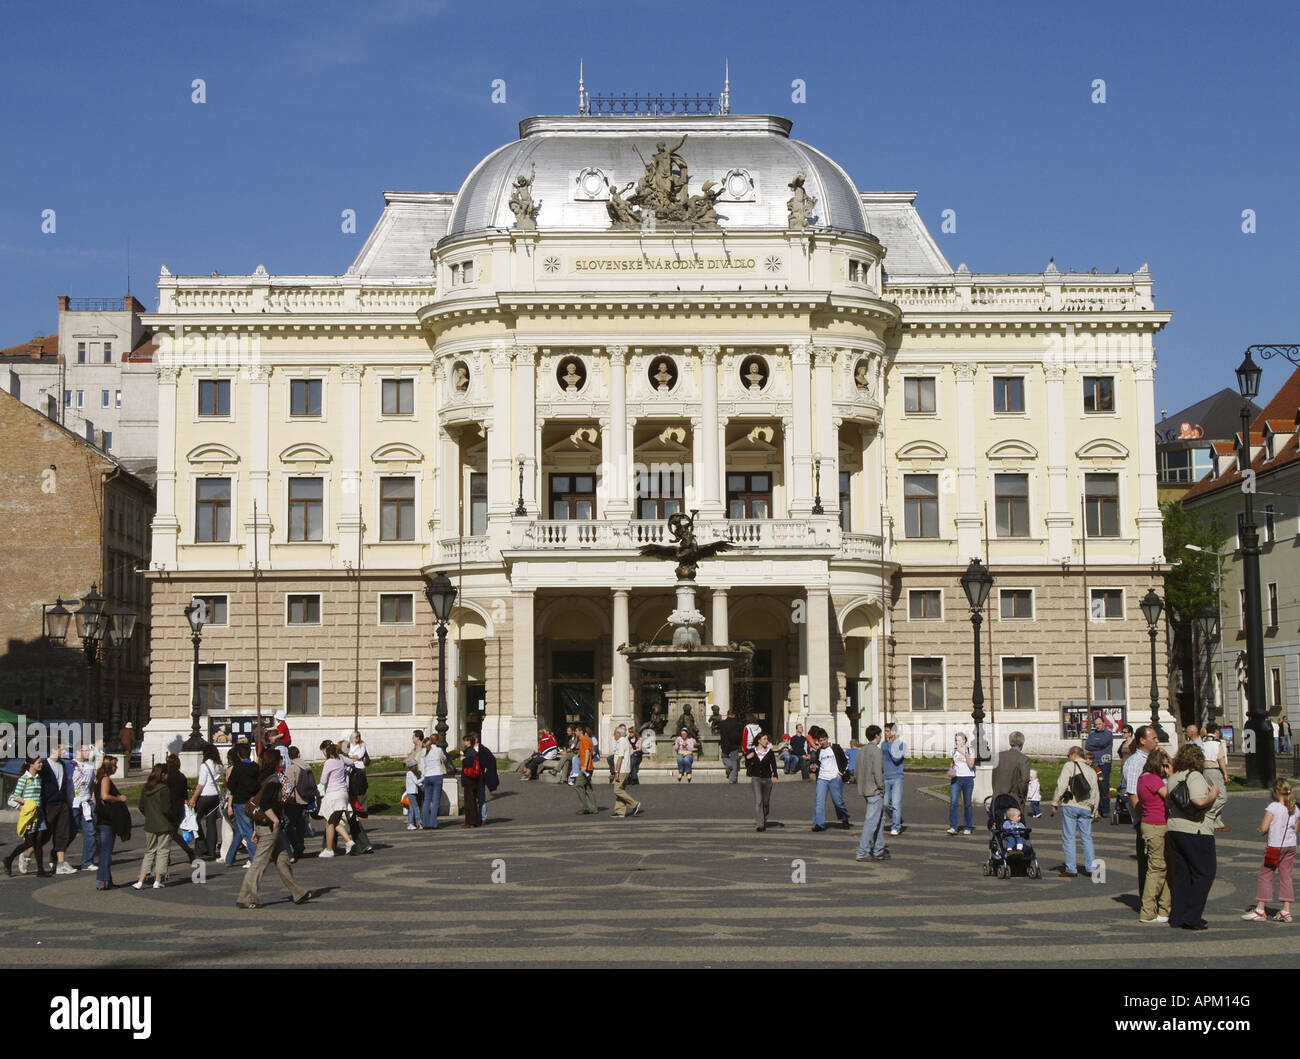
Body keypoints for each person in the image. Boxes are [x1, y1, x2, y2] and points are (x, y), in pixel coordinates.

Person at [237, 749, 318, 909]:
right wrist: (275, 820)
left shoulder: (264, 779)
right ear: (275, 762)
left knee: (282, 860)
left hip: (264, 825)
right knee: (259, 863)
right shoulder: (273, 780)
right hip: (270, 826)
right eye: (280, 760)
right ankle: (246, 897)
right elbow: (265, 804)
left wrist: (255, 828)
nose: (282, 762)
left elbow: (257, 807)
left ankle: (298, 892)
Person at [1165, 744, 1219, 930]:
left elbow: (1169, 802)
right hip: (1195, 830)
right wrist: (1212, 795)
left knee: (1182, 874)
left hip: (1174, 828)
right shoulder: (1194, 776)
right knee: (1205, 872)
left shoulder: (1173, 777)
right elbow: (1198, 801)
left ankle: (1177, 915)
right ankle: (1192, 915)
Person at [1242, 779, 1298, 923]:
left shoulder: (1273, 807)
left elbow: (1264, 827)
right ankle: (1286, 910)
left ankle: (1261, 909)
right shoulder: (1296, 809)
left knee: (1265, 875)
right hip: (1290, 846)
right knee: (1286, 876)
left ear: (1276, 792)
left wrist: (1261, 830)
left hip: (1275, 846)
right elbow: (1296, 830)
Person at [1135, 748, 1173, 923]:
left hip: (1150, 824)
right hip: (1157, 825)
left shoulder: (1143, 778)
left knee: (1162, 866)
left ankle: (1165, 908)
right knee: (1157, 868)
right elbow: (1172, 797)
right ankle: (1148, 910)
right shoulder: (1153, 779)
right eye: (1164, 765)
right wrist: (1171, 775)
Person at [1123, 725, 1161, 895]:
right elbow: (1133, 795)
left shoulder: (1153, 759)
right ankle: (1147, 901)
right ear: (1142, 740)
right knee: (1147, 864)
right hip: (1146, 820)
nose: (1157, 740)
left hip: (1157, 818)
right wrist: (1143, 818)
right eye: (1154, 738)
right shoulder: (1135, 763)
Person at [1052, 746, 1099, 878]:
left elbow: (1061, 785)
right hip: (1086, 807)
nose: (1068, 758)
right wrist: (1094, 811)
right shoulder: (1091, 771)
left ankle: (1071, 869)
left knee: (1069, 837)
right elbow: (1096, 793)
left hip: (1072, 804)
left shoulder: (1069, 766)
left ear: (1073, 754)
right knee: (1087, 838)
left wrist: (1055, 802)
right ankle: (1091, 868)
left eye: (1068, 755)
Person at [5, 756, 48, 877]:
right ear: (31, 764)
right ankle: (9, 859)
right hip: (30, 815)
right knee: (29, 843)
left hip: (39, 813)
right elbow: (16, 796)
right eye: (39, 763)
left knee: (39, 841)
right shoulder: (24, 779)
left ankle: (41, 870)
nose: (41, 765)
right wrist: (27, 804)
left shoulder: (38, 778)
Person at [134, 764, 175, 890]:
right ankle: (157, 880)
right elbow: (166, 809)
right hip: (164, 824)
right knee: (162, 851)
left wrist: (149, 815)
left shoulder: (146, 788)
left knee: (149, 851)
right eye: (166, 773)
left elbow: (141, 806)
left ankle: (141, 880)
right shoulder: (164, 789)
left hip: (150, 823)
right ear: (162, 775)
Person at [224, 743, 260, 867]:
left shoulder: (238, 768)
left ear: (238, 755)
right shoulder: (255, 767)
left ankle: (254, 858)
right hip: (253, 800)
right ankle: (229, 858)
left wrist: (229, 805)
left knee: (247, 830)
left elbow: (231, 787)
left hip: (240, 802)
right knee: (241, 830)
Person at [42, 743, 76, 875]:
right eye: (61, 749)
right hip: (49, 804)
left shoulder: (62, 765)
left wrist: (67, 802)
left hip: (62, 803)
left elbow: (64, 785)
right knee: (44, 834)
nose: (64, 751)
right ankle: (27, 853)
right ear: (53, 749)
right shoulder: (44, 765)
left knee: (62, 833)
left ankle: (61, 863)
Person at [809, 726, 851, 832]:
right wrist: (814, 767)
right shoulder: (819, 752)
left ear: (827, 738)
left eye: (824, 739)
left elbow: (845, 760)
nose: (822, 742)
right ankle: (819, 823)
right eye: (820, 740)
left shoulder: (835, 748)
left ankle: (845, 817)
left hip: (834, 778)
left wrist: (840, 773)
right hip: (822, 779)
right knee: (819, 802)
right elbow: (818, 764)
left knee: (838, 802)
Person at [93, 755, 127, 889]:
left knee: (103, 850)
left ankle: (107, 879)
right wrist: (119, 799)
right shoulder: (105, 779)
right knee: (106, 852)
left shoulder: (97, 779)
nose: (116, 768)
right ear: (109, 767)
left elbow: (95, 798)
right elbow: (105, 796)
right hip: (106, 820)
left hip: (100, 817)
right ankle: (103, 881)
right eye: (114, 766)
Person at [855, 725, 888, 861]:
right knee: (871, 822)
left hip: (864, 788)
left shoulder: (861, 750)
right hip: (874, 790)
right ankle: (863, 852)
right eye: (880, 735)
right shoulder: (876, 751)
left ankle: (879, 849)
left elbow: (856, 770)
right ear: (876, 736)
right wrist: (881, 788)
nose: (881, 737)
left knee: (880, 819)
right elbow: (878, 772)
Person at [317, 742, 356, 856]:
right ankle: (349, 841)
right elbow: (351, 762)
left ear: (327, 752)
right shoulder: (341, 759)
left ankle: (329, 850)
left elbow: (323, 780)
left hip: (333, 794)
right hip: (343, 793)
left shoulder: (329, 762)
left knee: (329, 822)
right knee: (335, 821)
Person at [190, 746, 223, 861]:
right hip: (215, 796)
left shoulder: (205, 766)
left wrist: (193, 798)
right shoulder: (219, 765)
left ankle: (201, 844)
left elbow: (201, 785)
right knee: (211, 823)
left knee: (195, 820)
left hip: (205, 795)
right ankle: (211, 849)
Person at [281, 746, 313, 859]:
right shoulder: (307, 766)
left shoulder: (292, 768)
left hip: (294, 800)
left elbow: (289, 785)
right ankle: (300, 845)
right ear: (299, 754)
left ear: (289, 756)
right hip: (305, 799)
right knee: (300, 824)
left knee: (289, 825)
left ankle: (297, 845)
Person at [164, 754, 196, 864]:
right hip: (180, 809)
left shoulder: (167, 778)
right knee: (170, 833)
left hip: (170, 808)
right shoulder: (182, 777)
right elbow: (184, 796)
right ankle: (166, 857)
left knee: (171, 833)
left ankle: (189, 852)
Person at [745, 731, 780, 831]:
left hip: (767, 779)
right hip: (756, 779)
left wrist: (775, 776)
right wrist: (747, 758)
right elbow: (747, 765)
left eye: (767, 739)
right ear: (759, 740)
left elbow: (773, 765)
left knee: (765, 802)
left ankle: (763, 819)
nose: (766, 741)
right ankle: (760, 824)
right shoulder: (752, 751)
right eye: (764, 739)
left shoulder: (769, 752)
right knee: (759, 801)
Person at [1200, 722, 1229, 832]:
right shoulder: (1217, 743)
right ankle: (1208, 813)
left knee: (1212, 795)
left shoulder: (1203, 742)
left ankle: (1217, 823)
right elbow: (1220, 759)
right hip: (1214, 770)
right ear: (1216, 731)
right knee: (1222, 797)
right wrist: (1225, 773)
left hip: (1204, 770)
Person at [72, 745, 98, 871]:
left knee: (90, 832)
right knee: (70, 832)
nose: (88, 752)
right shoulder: (71, 765)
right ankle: (56, 857)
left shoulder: (90, 766)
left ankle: (87, 861)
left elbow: (93, 783)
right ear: (78, 751)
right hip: (74, 802)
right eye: (85, 750)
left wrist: (93, 796)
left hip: (87, 802)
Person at [1085, 715, 1115, 816]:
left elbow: (1103, 743)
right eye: (1096, 724)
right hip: (1094, 763)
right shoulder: (1092, 734)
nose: (1097, 726)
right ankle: (1095, 808)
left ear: (1104, 724)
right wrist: (1097, 746)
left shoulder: (1108, 734)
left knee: (1103, 785)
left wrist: (1094, 746)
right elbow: (1087, 745)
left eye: (1099, 724)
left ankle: (1105, 809)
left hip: (1104, 763)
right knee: (1093, 786)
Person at [991, 730, 1031, 807]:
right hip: (1014, 799)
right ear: (1022, 743)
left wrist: (996, 791)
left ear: (1010, 742)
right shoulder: (1023, 759)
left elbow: (994, 777)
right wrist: (1022, 796)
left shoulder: (999, 756)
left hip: (998, 798)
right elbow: (1025, 779)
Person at [610, 724, 642, 818]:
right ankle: (620, 811)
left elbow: (620, 758)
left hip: (622, 770)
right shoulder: (624, 741)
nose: (614, 735)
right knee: (621, 789)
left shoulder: (621, 742)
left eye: (615, 733)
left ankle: (634, 804)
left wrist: (616, 772)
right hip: (624, 769)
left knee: (617, 790)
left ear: (619, 734)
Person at [947, 733, 976, 835]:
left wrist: (964, 753)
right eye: (956, 740)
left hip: (968, 778)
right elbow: (952, 764)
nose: (957, 742)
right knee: (954, 802)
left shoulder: (970, 750)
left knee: (967, 803)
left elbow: (971, 765)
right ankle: (953, 826)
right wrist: (951, 771)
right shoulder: (953, 751)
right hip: (956, 779)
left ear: (964, 740)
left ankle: (968, 826)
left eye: (959, 740)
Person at [420, 735, 448, 829]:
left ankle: (425, 823)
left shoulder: (424, 751)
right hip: (437, 775)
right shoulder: (439, 750)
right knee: (435, 800)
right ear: (437, 741)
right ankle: (433, 823)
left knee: (427, 800)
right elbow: (444, 759)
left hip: (427, 776)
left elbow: (422, 765)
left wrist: (424, 774)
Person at [882, 723, 905, 835]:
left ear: (894, 732)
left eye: (888, 731)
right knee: (885, 804)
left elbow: (897, 758)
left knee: (896, 804)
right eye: (885, 731)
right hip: (886, 777)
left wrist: (892, 745)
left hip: (897, 778)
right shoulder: (883, 744)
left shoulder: (901, 744)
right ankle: (897, 817)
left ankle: (896, 826)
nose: (885, 733)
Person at [473, 733, 498, 823]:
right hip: (472, 776)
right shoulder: (469, 749)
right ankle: (474, 817)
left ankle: (483, 817)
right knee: (473, 798)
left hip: (480, 776)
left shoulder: (483, 749)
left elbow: (492, 760)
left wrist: (486, 769)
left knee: (481, 797)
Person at [574, 724, 598, 815]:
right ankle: (593, 808)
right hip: (588, 767)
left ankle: (585, 807)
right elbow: (592, 752)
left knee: (578, 785)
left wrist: (584, 766)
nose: (575, 733)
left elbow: (587, 752)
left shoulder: (584, 740)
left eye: (576, 731)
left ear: (581, 731)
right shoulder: (586, 740)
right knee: (588, 787)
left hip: (586, 768)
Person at [460, 736, 483, 827]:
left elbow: (469, 763)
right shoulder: (474, 751)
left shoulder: (469, 751)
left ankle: (471, 821)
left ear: (469, 741)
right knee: (472, 799)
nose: (464, 743)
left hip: (469, 778)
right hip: (473, 778)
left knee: (469, 800)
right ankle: (473, 820)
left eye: (465, 741)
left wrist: (463, 758)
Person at [719, 709, 742, 784]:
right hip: (734, 746)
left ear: (727, 714)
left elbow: (721, 735)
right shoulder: (738, 724)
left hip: (725, 746)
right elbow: (739, 736)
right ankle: (732, 779)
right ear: (734, 715)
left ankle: (728, 765)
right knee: (734, 762)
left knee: (724, 757)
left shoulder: (722, 723)